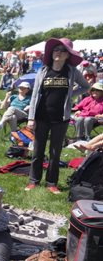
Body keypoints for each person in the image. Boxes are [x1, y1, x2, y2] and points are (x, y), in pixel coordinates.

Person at [25, 38, 91, 194]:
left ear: (68, 55)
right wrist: (31, 117)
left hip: (61, 118)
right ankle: (33, 180)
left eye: (62, 50)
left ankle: (51, 183)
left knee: (55, 152)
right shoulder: (43, 70)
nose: (58, 52)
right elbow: (35, 95)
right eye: (56, 49)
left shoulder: (72, 71)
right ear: (51, 52)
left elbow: (86, 86)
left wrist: (70, 95)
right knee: (38, 151)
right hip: (41, 117)